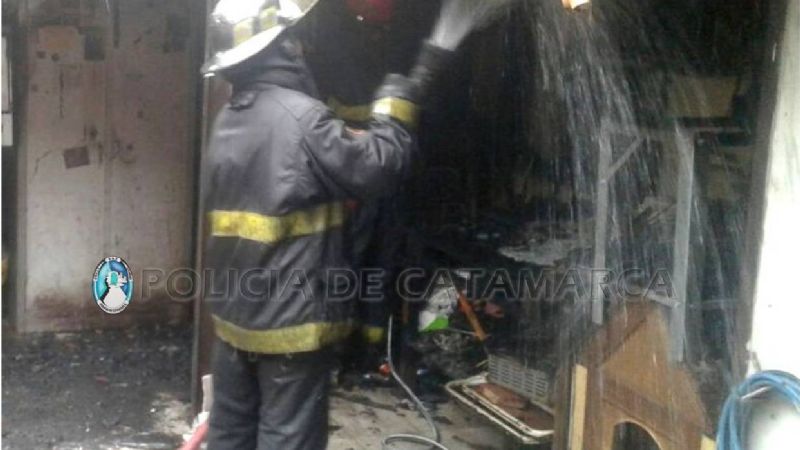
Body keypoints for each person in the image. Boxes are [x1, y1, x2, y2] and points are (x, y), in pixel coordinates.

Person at [199, 1, 452, 448]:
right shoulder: (302, 117)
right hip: (290, 330)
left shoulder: (228, 120)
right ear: (281, 47)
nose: (300, 46)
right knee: (287, 439)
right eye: (292, 38)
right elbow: (378, 167)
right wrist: (396, 103)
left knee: (230, 435)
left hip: (235, 321)